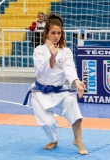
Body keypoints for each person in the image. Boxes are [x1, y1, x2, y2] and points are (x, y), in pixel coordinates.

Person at [23, 13, 88, 155]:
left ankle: (78, 140)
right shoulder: (39, 51)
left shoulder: (66, 52)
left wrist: (76, 82)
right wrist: (52, 56)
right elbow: (41, 72)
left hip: (59, 91)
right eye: (53, 33)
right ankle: (53, 140)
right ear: (46, 33)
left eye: (59, 33)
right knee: (49, 123)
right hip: (40, 93)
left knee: (72, 103)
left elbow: (69, 68)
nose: (56, 36)